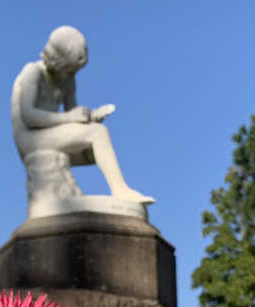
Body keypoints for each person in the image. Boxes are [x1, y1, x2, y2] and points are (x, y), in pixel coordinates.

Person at [11, 26, 153, 204]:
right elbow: (29, 116)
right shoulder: (33, 72)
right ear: (58, 61)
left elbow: (74, 117)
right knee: (97, 134)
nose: (72, 74)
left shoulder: (68, 80)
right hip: (30, 138)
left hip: (49, 133)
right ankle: (120, 190)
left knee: (94, 149)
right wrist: (71, 118)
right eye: (70, 69)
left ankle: (114, 190)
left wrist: (90, 117)